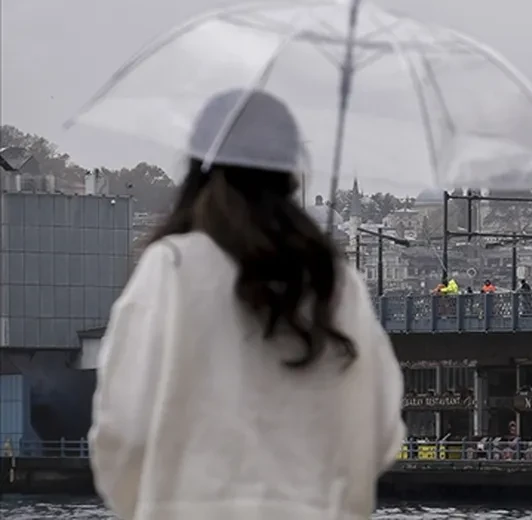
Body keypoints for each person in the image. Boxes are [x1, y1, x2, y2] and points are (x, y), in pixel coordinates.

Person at [88, 89, 405, 520]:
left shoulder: (172, 269)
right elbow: (381, 432)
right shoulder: (336, 284)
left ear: (201, 170)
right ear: (289, 173)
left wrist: (147, 501)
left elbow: (121, 427)